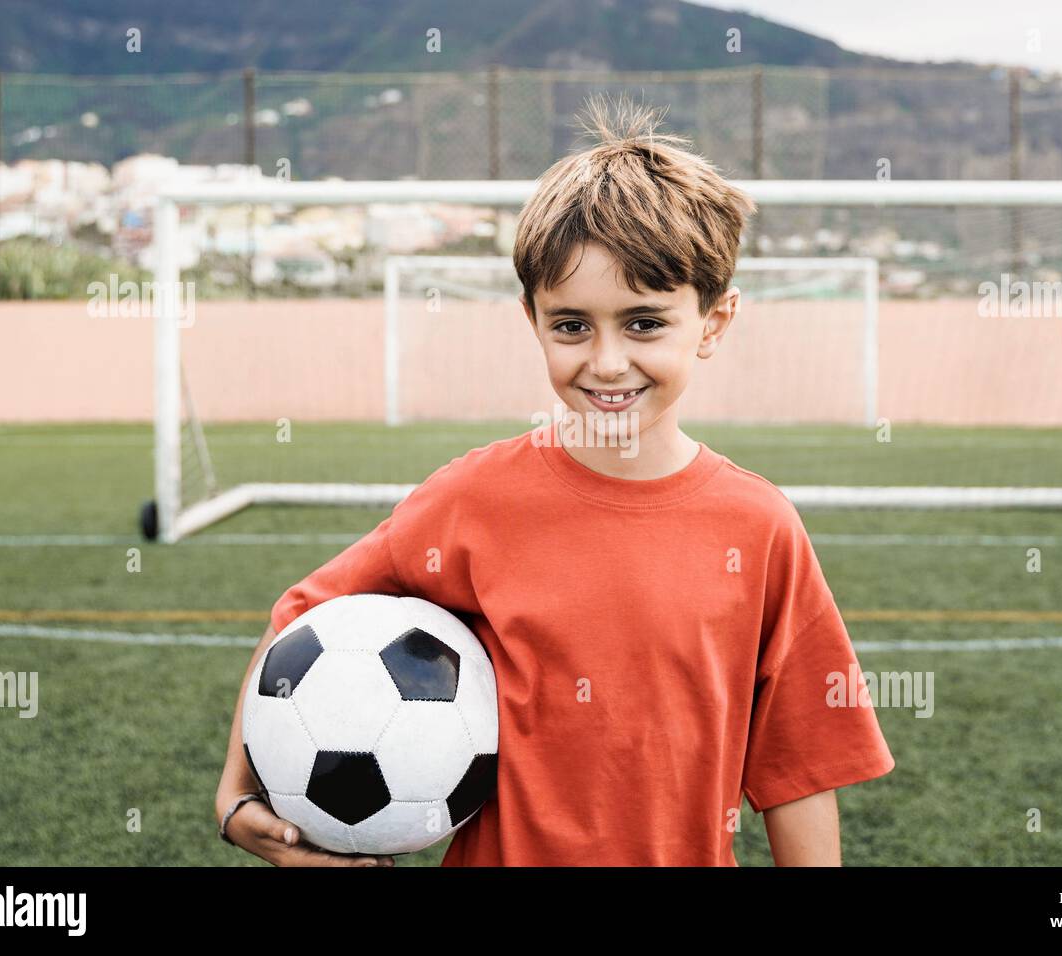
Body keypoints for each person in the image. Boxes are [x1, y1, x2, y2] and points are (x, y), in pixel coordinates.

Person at [215, 93, 894, 866]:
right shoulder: (472, 501)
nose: (606, 362)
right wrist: (235, 793)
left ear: (714, 322)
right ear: (531, 318)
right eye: (571, 325)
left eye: (644, 322)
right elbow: (302, 618)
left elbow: (798, 761)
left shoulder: (759, 526)